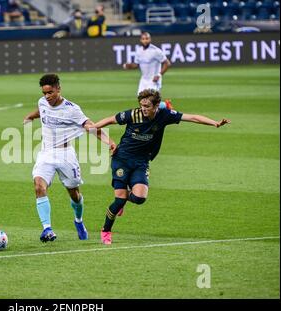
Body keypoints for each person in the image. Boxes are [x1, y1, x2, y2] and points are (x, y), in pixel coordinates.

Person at [90, 89, 230, 245]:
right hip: (121, 159)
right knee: (119, 200)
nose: (143, 109)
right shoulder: (132, 114)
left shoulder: (165, 115)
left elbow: (192, 117)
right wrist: (93, 127)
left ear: (156, 105)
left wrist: (215, 123)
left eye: (147, 106)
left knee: (139, 198)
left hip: (141, 161)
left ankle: (124, 199)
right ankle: (106, 230)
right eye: (142, 105)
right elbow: (110, 120)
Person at [23, 74, 116, 243]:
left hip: (66, 155)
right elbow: (42, 111)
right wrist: (30, 116)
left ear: (58, 88)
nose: (47, 96)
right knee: (38, 185)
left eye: (50, 92)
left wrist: (109, 142)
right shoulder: (42, 102)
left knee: (74, 194)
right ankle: (47, 229)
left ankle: (79, 221)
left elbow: (92, 127)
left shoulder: (72, 110)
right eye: (44, 93)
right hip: (46, 153)